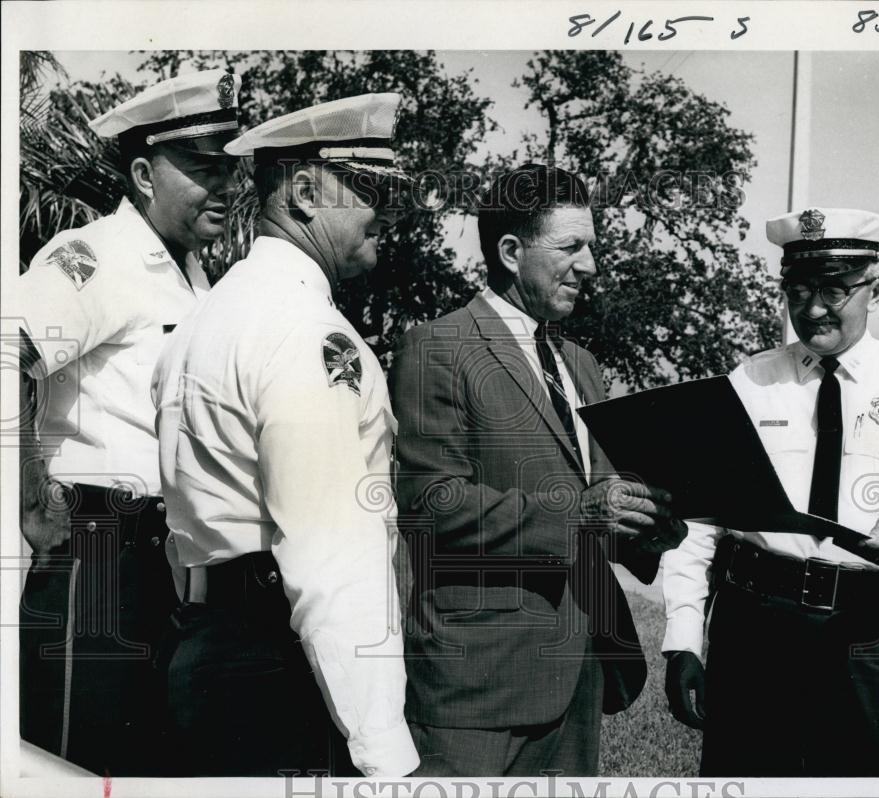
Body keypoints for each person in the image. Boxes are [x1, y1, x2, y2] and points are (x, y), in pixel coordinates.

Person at [389, 163, 688, 777]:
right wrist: (582, 513)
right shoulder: (435, 348)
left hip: (581, 674)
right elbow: (432, 502)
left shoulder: (580, 362)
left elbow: (606, 502)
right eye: (572, 246)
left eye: (593, 248)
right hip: (478, 686)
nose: (590, 266)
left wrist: (656, 515)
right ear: (509, 251)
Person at [151, 93, 419, 777]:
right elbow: (331, 556)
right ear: (303, 191)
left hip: (202, 648)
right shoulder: (306, 332)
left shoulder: (207, 318)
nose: (385, 210)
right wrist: (384, 750)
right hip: (281, 667)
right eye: (369, 189)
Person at [660, 207, 879, 777]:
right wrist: (683, 638)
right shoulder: (748, 382)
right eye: (797, 290)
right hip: (756, 627)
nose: (811, 309)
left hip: (874, 631)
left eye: (833, 290)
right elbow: (700, 518)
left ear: (874, 291)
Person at [16, 68, 242, 776]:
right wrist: (28, 498)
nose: (226, 186)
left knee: (147, 766)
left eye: (230, 168)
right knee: (78, 762)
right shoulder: (98, 256)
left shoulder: (199, 280)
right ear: (144, 173)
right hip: (97, 547)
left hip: (167, 562)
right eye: (203, 168)